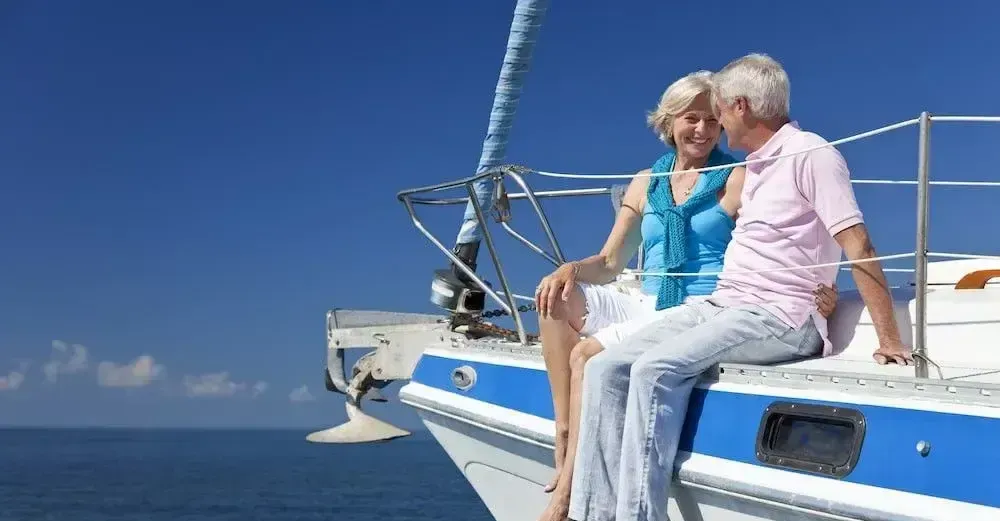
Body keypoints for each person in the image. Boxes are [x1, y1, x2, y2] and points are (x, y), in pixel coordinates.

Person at [565, 53, 914, 521]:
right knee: (607, 367)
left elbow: (858, 241)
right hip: (725, 303)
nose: (717, 125)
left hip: (778, 316)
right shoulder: (756, 167)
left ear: (742, 107)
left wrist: (890, 339)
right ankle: (595, 514)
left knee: (655, 369)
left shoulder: (811, 154)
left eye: (721, 111)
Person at [532, 70, 839, 521]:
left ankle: (568, 495)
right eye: (691, 119)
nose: (702, 130)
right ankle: (562, 429)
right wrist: (571, 269)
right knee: (552, 296)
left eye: (711, 121)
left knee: (589, 358)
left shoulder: (734, 177)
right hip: (647, 295)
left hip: (699, 301)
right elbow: (612, 262)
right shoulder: (645, 182)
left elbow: (783, 234)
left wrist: (820, 288)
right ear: (669, 122)